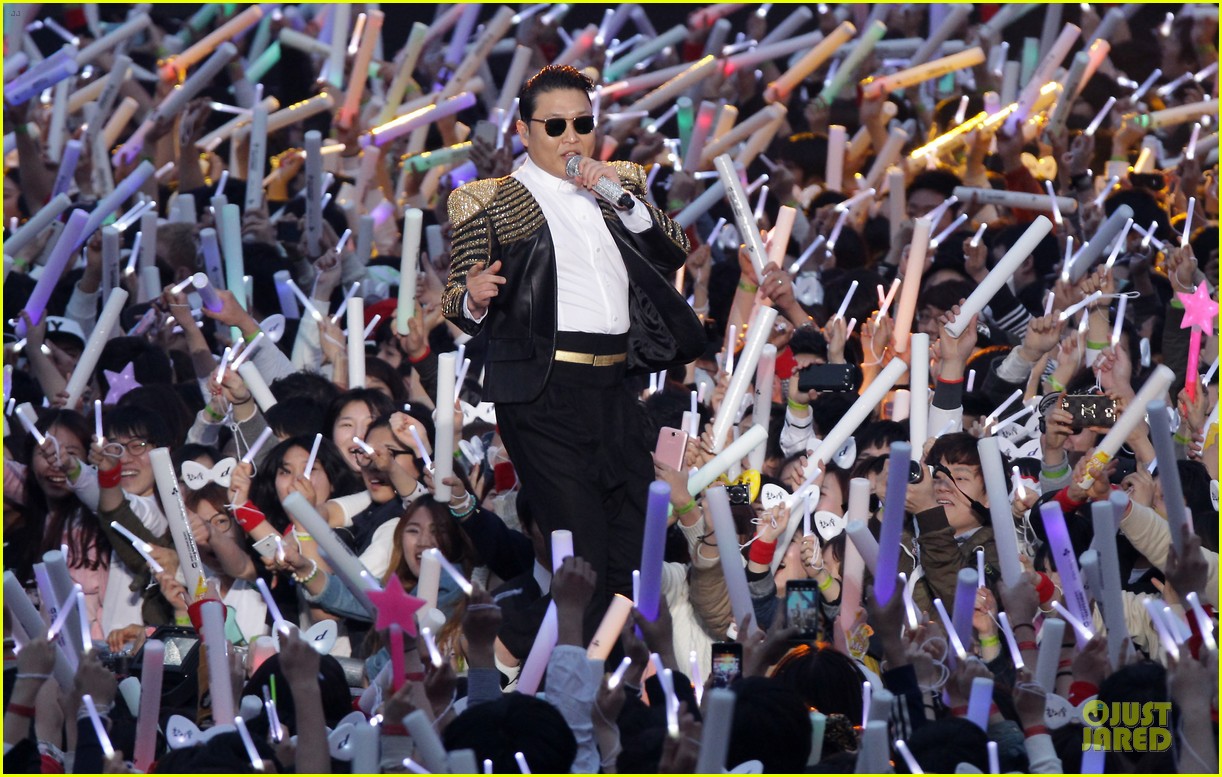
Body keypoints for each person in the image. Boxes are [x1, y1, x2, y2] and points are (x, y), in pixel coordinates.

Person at [442, 65, 705, 621]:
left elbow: (675, 248)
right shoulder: (487, 199)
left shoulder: (620, 183)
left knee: (636, 546)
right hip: (542, 393)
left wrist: (617, 196)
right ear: (523, 131)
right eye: (555, 125)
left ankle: (618, 659)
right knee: (582, 548)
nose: (571, 137)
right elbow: (454, 302)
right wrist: (474, 299)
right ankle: (553, 664)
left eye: (582, 123)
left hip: (615, 386)